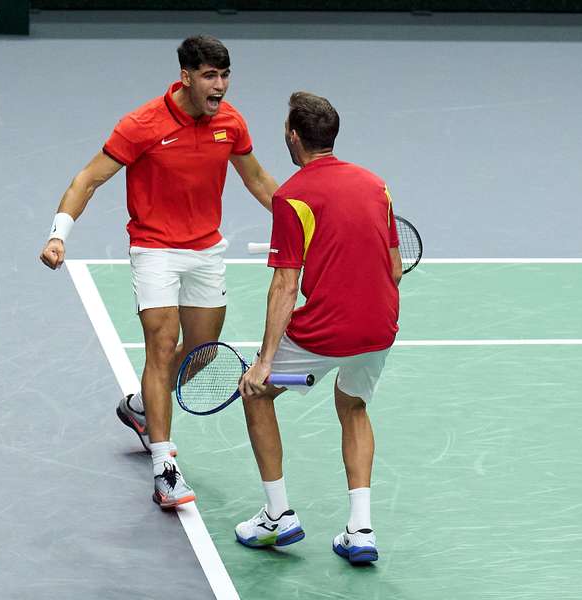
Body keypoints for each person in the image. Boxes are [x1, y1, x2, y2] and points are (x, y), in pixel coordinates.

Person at [39, 35, 279, 509]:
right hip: (154, 249)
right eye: (210, 76)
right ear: (186, 77)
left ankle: (143, 408)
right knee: (161, 344)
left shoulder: (230, 123)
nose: (221, 87)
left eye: (225, 76)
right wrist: (58, 234)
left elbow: (256, 179)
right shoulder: (141, 124)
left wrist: (304, 222)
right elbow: (88, 178)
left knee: (202, 354)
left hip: (206, 250)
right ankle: (164, 467)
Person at [235, 92, 402, 564]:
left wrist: (264, 363)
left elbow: (286, 285)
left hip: (327, 333)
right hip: (380, 327)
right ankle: (361, 529)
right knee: (353, 406)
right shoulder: (376, 185)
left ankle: (277, 516)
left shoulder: (291, 196)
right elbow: (393, 269)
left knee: (256, 392)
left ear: (293, 135)